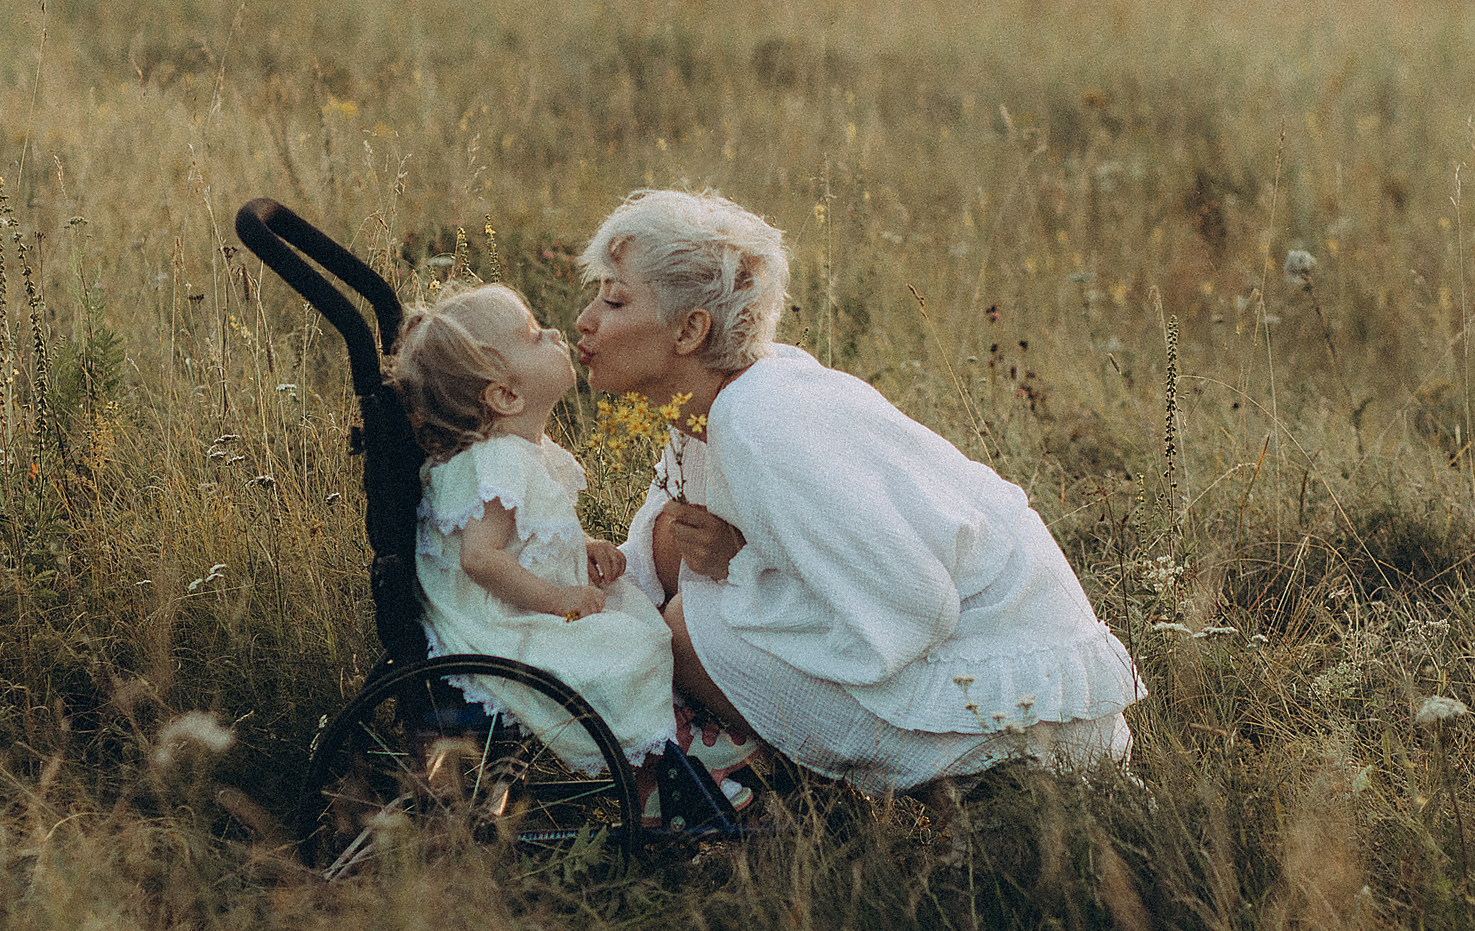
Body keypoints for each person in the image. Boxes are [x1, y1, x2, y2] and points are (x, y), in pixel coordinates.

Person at [573, 189, 1144, 795]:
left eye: (614, 300)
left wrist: (739, 568)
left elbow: (915, 603)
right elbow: (660, 557)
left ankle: (938, 795)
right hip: (982, 657)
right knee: (670, 543)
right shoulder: (711, 404)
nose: (584, 320)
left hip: (1021, 703)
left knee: (689, 628)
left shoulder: (760, 422)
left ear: (690, 330)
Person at [386, 282, 699, 798]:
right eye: (533, 335)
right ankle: (654, 771)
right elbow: (480, 558)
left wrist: (584, 546)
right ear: (506, 395)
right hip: (495, 626)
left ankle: (664, 738)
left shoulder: (519, 450)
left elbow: (525, 536)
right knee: (625, 646)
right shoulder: (497, 462)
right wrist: (558, 600)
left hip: (515, 607)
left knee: (632, 611)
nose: (554, 332)